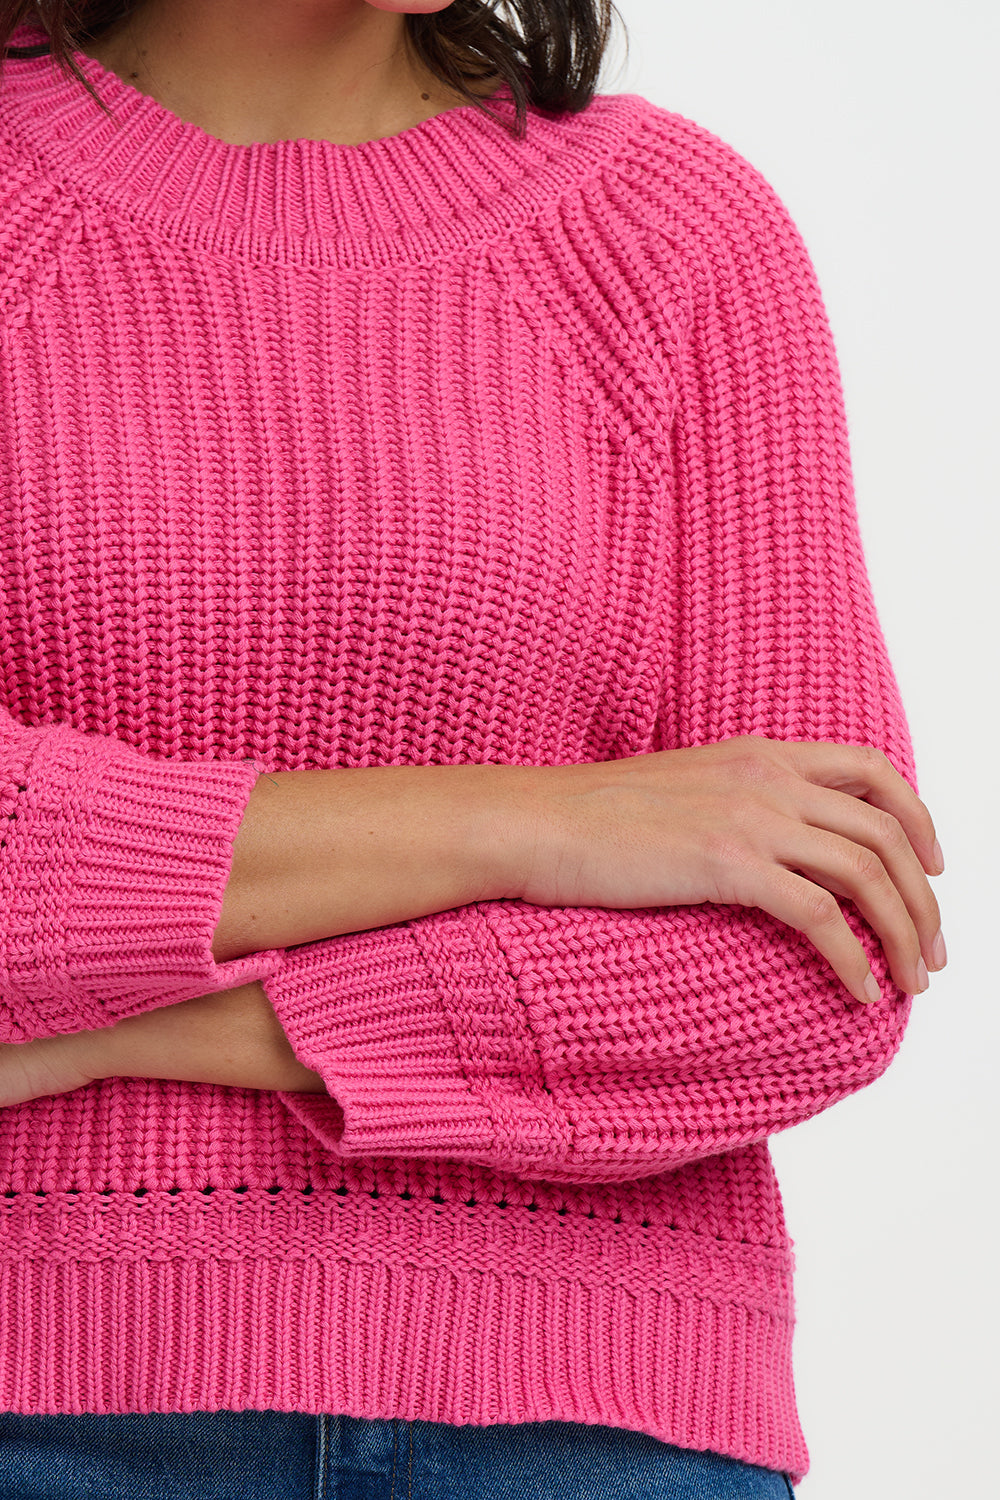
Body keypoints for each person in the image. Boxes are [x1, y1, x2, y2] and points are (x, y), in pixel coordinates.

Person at [0, 1, 946, 1496]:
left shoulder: (675, 237)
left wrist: (117, 1037)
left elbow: (825, 950)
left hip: (595, 1429)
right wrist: (544, 826)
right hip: (40, 1402)